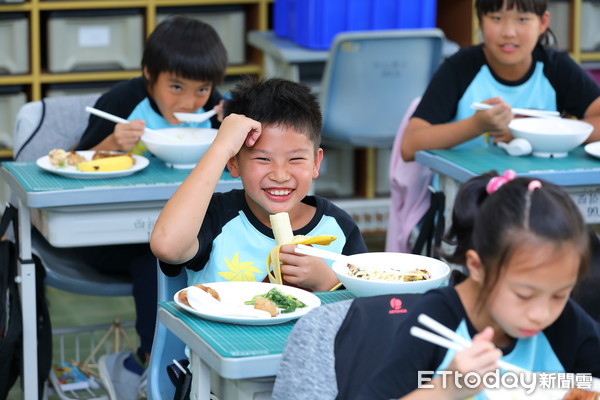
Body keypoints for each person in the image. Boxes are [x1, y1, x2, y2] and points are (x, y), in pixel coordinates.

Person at [74, 15, 228, 400]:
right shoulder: (124, 102)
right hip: (106, 239)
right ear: (149, 75)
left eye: (201, 90)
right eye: (175, 86)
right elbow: (71, 164)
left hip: (185, 234)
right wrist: (109, 144)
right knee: (158, 256)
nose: (190, 102)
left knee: (211, 251)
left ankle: (198, 364)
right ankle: (144, 363)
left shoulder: (219, 110)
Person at [357, 171, 600, 399]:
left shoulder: (564, 322)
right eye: (524, 295)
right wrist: (445, 389)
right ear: (477, 266)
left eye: (560, 295)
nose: (541, 314)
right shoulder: (437, 320)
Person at [150, 76, 367, 294]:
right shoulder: (216, 217)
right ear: (233, 164)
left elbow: (366, 313)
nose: (280, 175)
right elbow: (167, 247)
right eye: (263, 159)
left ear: (316, 163)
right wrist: (222, 146)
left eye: (295, 159)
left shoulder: (338, 228)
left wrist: (326, 282)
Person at [401, 0, 600, 162]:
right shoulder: (460, 67)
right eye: (496, 18)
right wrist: (476, 126)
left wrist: (535, 132)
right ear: (480, 21)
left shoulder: (557, 68)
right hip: (466, 198)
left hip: (539, 195)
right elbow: (410, 145)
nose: (508, 32)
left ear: (542, 23)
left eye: (522, 19)